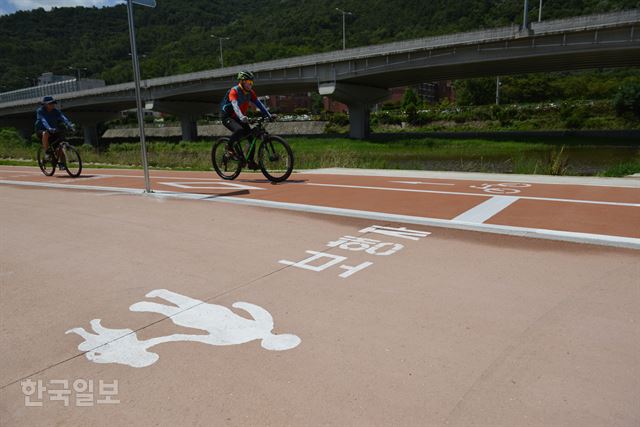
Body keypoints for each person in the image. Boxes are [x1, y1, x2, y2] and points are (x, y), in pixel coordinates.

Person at [220, 71, 274, 169]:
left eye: (251, 82)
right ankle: (229, 147)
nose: (250, 84)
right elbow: (235, 105)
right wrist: (242, 117)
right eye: (249, 82)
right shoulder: (234, 91)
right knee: (239, 130)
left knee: (251, 138)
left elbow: (259, 104)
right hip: (227, 116)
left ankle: (250, 162)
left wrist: (269, 115)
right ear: (242, 81)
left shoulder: (250, 93)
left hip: (240, 117)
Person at [35, 96, 74, 165]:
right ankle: (47, 152)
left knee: (59, 147)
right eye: (50, 103)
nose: (52, 104)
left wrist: (69, 125)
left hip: (53, 130)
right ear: (45, 104)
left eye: (53, 103)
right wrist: (49, 128)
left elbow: (63, 118)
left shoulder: (56, 111)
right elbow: (43, 120)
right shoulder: (40, 111)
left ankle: (62, 164)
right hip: (41, 130)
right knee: (45, 133)